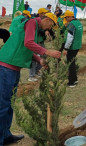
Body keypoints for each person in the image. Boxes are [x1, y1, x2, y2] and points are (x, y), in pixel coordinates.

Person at [0, 13, 61, 145]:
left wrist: (39, 59)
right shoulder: (32, 22)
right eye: (51, 24)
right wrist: (48, 52)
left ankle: (5, 135)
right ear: (46, 19)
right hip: (6, 67)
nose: (49, 28)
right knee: (3, 105)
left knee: (9, 104)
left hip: (13, 68)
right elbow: (28, 43)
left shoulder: (34, 27)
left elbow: (25, 47)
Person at [62, 10, 83, 87]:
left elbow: (70, 38)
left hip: (72, 47)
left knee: (70, 64)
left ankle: (72, 82)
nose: (66, 19)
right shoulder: (79, 23)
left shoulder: (71, 25)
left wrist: (66, 48)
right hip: (77, 45)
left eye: (66, 18)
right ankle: (75, 79)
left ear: (70, 17)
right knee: (72, 63)